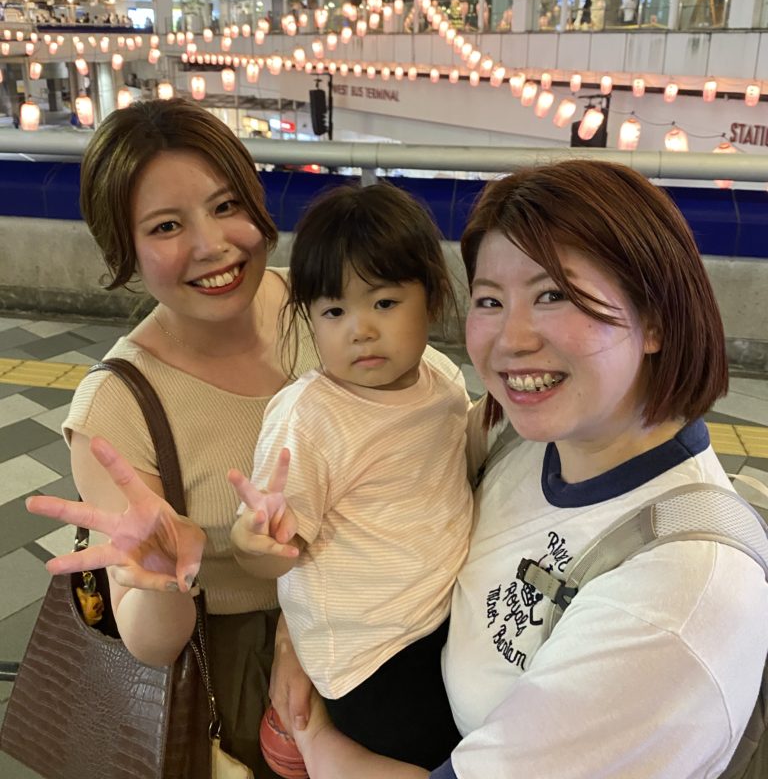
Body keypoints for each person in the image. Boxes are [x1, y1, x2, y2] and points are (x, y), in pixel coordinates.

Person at [275, 160, 768, 779]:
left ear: (656, 320)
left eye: (552, 295)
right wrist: (297, 638)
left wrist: (316, 739)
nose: (510, 339)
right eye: (490, 300)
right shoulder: (519, 435)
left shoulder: (675, 602)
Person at [26, 98, 320, 778]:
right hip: (239, 675)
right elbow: (149, 643)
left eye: (226, 206)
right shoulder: (117, 407)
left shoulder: (319, 303)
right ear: (124, 249)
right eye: (166, 225)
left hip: (378, 616)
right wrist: (163, 577)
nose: (212, 246)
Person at [229, 184, 472, 771]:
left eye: (384, 303)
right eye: (334, 312)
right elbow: (266, 556)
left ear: (432, 298)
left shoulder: (442, 378)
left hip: (446, 614)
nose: (359, 329)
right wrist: (255, 542)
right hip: (371, 652)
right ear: (309, 319)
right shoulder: (308, 419)